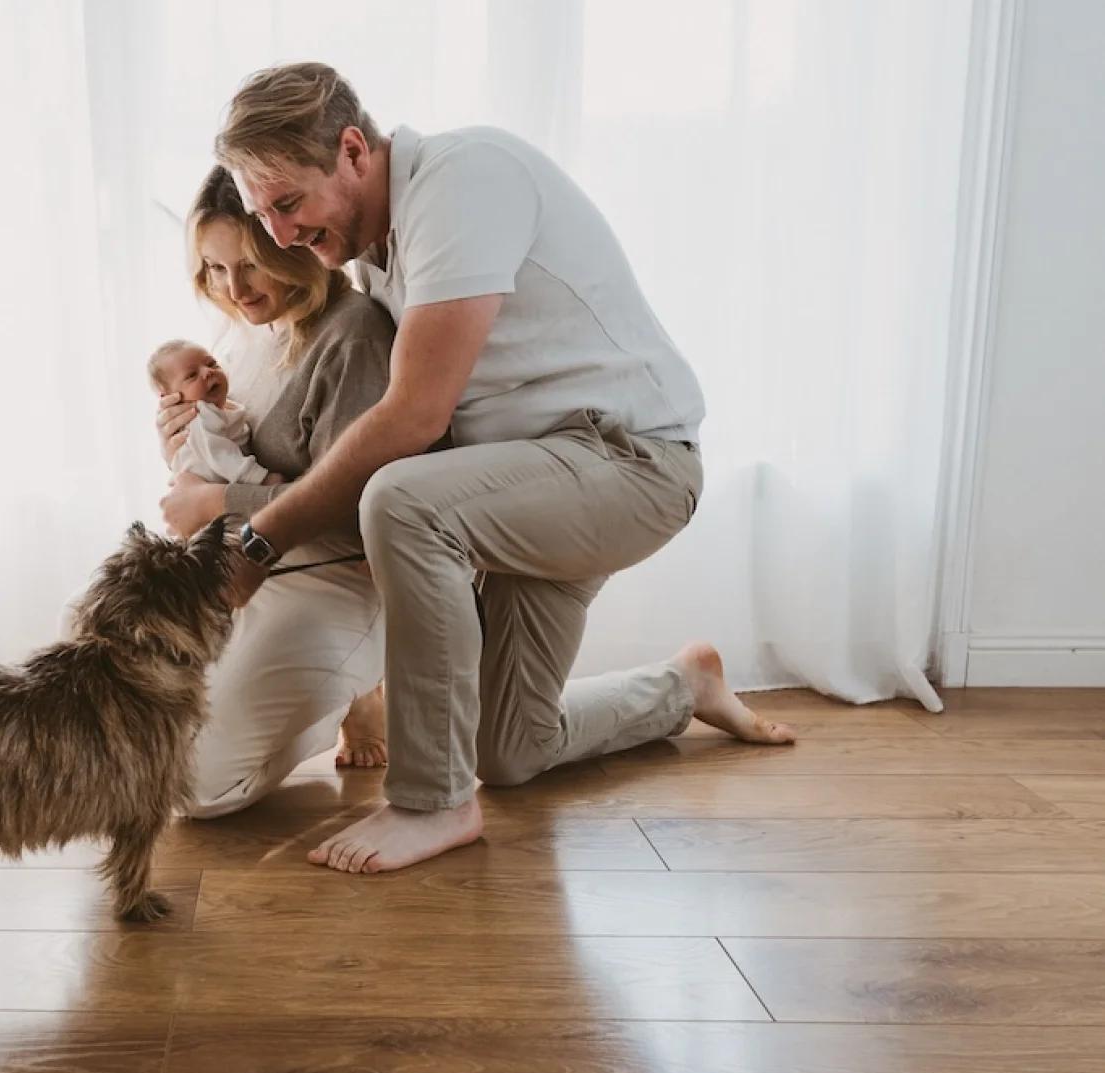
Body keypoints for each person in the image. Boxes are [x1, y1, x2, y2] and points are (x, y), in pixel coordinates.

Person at [211, 62, 797, 875]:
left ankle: (433, 802)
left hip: (629, 465)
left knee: (404, 502)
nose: (277, 235)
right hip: (532, 480)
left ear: (352, 151)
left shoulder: (461, 180)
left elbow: (415, 418)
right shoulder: (373, 254)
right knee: (514, 749)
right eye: (258, 213)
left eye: (286, 204)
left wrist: (258, 538)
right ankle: (681, 687)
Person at [149, 164, 399, 814]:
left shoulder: (354, 336)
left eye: (251, 264)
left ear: (291, 240)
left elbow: (361, 511)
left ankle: (358, 683)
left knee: (195, 787)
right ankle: (343, 691)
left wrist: (216, 503)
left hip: (333, 576)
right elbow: (235, 458)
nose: (234, 290)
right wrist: (181, 451)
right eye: (212, 269)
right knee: (96, 660)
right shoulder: (247, 330)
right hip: (240, 570)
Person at [146, 338, 280, 486]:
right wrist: (260, 478)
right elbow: (221, 455)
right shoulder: (199, 417)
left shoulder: (221, 407)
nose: (208, 371)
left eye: (212, 364)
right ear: (171, 398)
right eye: (192, 375)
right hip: (204, 494)